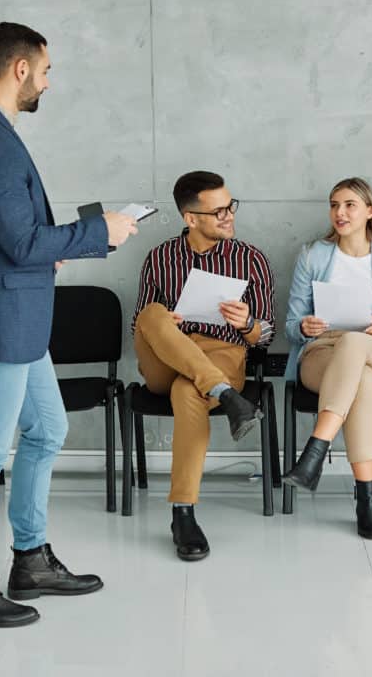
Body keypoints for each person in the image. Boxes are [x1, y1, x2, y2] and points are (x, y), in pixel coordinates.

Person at [0, 22, 137, 627]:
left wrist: (59, 245)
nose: (47, 82)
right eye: (45, 71)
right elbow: (21, 241)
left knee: (47, 430)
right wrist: (104, 231)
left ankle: (30, 557)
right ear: (20, 68)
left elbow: (2, 238)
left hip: (18, 318)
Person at [132, 171, 275, 560]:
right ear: (190, 218)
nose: (229, 215)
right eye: (218, 211)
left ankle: (183, 514)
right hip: (166, 355)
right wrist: (167, 325)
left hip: (222, 353)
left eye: (231, 206)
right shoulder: (159, 258)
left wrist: (246, 323)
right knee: (152, 313)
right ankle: (227, 395)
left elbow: (266, 335)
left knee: (188, 390)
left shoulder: (250, 259)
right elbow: (141, 325)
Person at [282, 178, 372, 539]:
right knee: (362, 381)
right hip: (323, 352)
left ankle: (316, 449)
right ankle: (366, 500)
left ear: (369, 211)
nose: (339, 213)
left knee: (356, 346)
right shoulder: (312, 254)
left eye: (349, 205)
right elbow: (291, 324)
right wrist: (305, 326)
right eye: (334, 205)